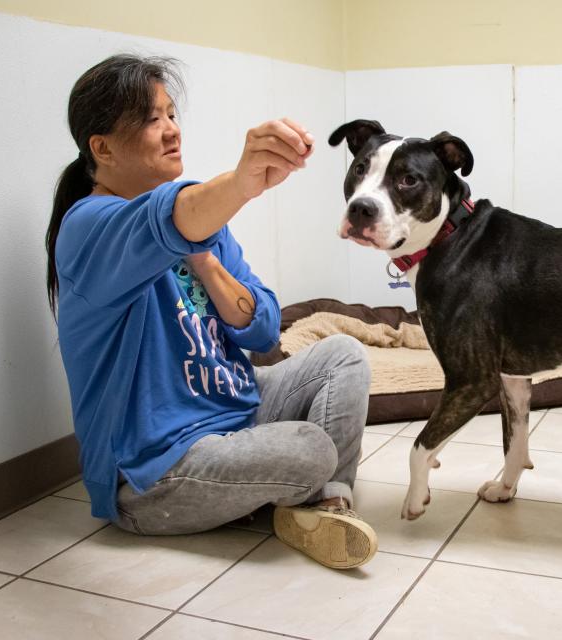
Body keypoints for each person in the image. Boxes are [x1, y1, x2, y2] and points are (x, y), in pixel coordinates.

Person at [45, 54, 376, 569]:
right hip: (156, 471)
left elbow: (264, 328)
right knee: (311, 446)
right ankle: (308, 492)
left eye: (172, 114)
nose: (171, 130)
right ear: (102, 147)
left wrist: (203, 260)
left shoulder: (202, 224)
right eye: (152, 119)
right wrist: (243, 181)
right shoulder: (89, 225)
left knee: (344, 355)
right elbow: (163, 218)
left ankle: (325, 504)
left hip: (233, 411)